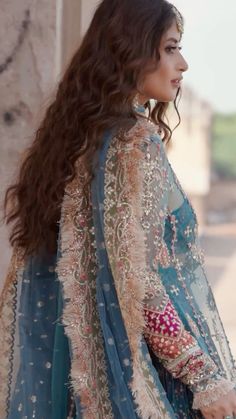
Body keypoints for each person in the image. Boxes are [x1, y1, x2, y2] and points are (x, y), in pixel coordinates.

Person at [0, 0, 236, 418]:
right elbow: (137, 281)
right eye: (169, 48)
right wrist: (203, 376)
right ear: (131, 50)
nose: (182, 64)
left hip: (79, 377)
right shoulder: (134, 144)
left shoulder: (74, 141)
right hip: (139, 377)